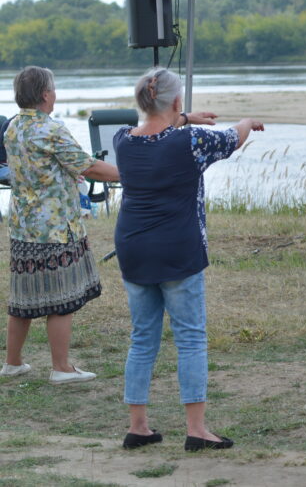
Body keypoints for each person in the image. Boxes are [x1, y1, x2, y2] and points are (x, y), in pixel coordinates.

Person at [113, 67, 263, 452]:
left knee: (142, 338)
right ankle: (196, 429)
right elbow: (233, 138)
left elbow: (159, 127)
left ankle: (138, 427)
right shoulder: (190, 141)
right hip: (178, 250)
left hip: (133, 248)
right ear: (177, 101)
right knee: (191, 337)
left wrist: (182, 118)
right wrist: (246, 120)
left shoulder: (123, 141)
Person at [0, 66, 119, 384]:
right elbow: (89, 166)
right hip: (55, 227)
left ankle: (12, 363)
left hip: (24, 226)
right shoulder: (51, 129)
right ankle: (61, 368)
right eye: (53, 88)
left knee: (22, 298)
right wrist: (132, 172)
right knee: (62, 299)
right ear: (44, 94)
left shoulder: (12, 128)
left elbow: (41, 167)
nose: (55, 93)